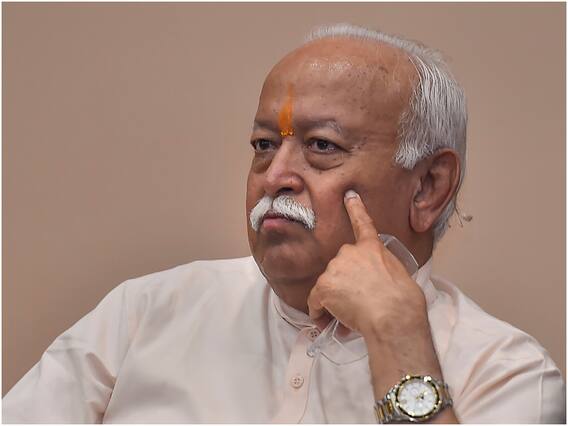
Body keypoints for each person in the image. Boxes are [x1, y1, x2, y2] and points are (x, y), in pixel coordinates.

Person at [3, 23, 565, 424]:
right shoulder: (146, 313)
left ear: (428, 187)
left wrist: (399, 341)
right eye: (264, 145)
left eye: (322, 146)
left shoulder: (506, 374)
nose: (275, 177)